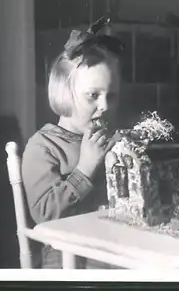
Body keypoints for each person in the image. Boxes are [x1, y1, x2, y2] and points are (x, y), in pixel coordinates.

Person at [21, 15, 125, 269]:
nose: (105, 106)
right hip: (68, 258)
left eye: (111, 96)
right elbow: (44, 214)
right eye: (93, 96)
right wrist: (85, 168)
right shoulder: (43, 146)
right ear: (65, 94)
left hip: (112, 248)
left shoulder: (108, 139)